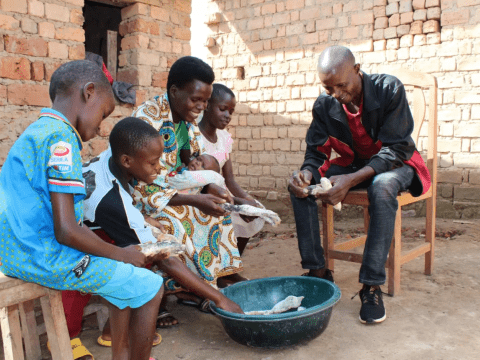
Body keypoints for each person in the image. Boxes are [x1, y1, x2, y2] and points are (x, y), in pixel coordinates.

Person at [0, 60, 164, 360]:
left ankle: (121, 355)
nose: (100, 126)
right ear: (89, 92)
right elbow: (66, 230)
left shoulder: (37, 131)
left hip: (16, 251)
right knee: (151, 286)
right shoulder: (62, 140)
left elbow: (62, 220)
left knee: (123, 278)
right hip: (44, 258)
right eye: (103, 114)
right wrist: (123, 253)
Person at [288, 46, 431, 325]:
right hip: (356, 162)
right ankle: (318, 271)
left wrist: (352, 179)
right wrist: (306, 173)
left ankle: (371, 285)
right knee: (299, 186)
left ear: (357, 70)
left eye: (342, 85)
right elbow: (316, 154)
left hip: (398, 163)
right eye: (329, 88)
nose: (337, 94)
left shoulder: (389, 89)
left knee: (383, 185)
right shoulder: (325, 105)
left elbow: (396, 149)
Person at [131, 56, 246, 313]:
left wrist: (209, 188)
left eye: (205, 101)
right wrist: (195, 199)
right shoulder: (147, 120)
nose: (201, 106)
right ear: (174, 91)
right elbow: (140, 185)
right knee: (174, 223)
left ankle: (206, 283)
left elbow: (190, 165)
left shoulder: (188, 123)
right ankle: (161, 297)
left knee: (219, 211)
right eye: (196, 99)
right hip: (142, 201)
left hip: (174, 191)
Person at [199, 84, 266, 257]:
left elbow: (230, 180)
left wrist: (249, 200)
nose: (227, 116)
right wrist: (237, 202)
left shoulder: (224, 138)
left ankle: (233, 264)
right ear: (207, 106)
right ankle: (221, 268)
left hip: (225, 194)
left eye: (231, 111)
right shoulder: (194, 138)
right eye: (222, 109)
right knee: (233, 214)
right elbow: (199, 186)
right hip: (203, 196)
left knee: (254, 211)